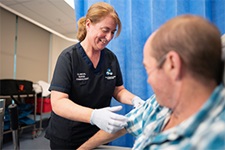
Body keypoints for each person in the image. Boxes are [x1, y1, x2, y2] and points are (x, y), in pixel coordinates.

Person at [77, 15, 225, 150]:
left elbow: (118, 89)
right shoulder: (160, 103)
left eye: (148, 69)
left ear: (172, 64)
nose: (148, 80)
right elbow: (126, 123)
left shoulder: (214, 137)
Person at [45, 2, 144, 149]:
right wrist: (93, 116)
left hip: (99, 134)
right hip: (69, 136)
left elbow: (118, 90)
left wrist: (135, 100)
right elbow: (58, 102)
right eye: (105, 30)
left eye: (113, 32)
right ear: (89, 25)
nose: (109, 37)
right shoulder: (68, 57)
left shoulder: (111, 59)